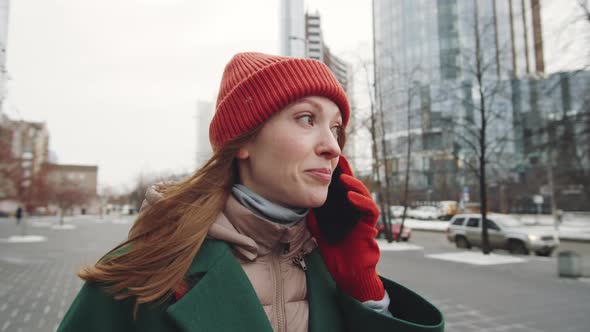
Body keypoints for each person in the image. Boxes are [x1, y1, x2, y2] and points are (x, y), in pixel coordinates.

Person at [58, 52, 444, 332]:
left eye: (337, 128)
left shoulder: (329, 262)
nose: (333, 147)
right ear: (243, 142)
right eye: (307, 119)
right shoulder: (145, 269)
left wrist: (362, 284)